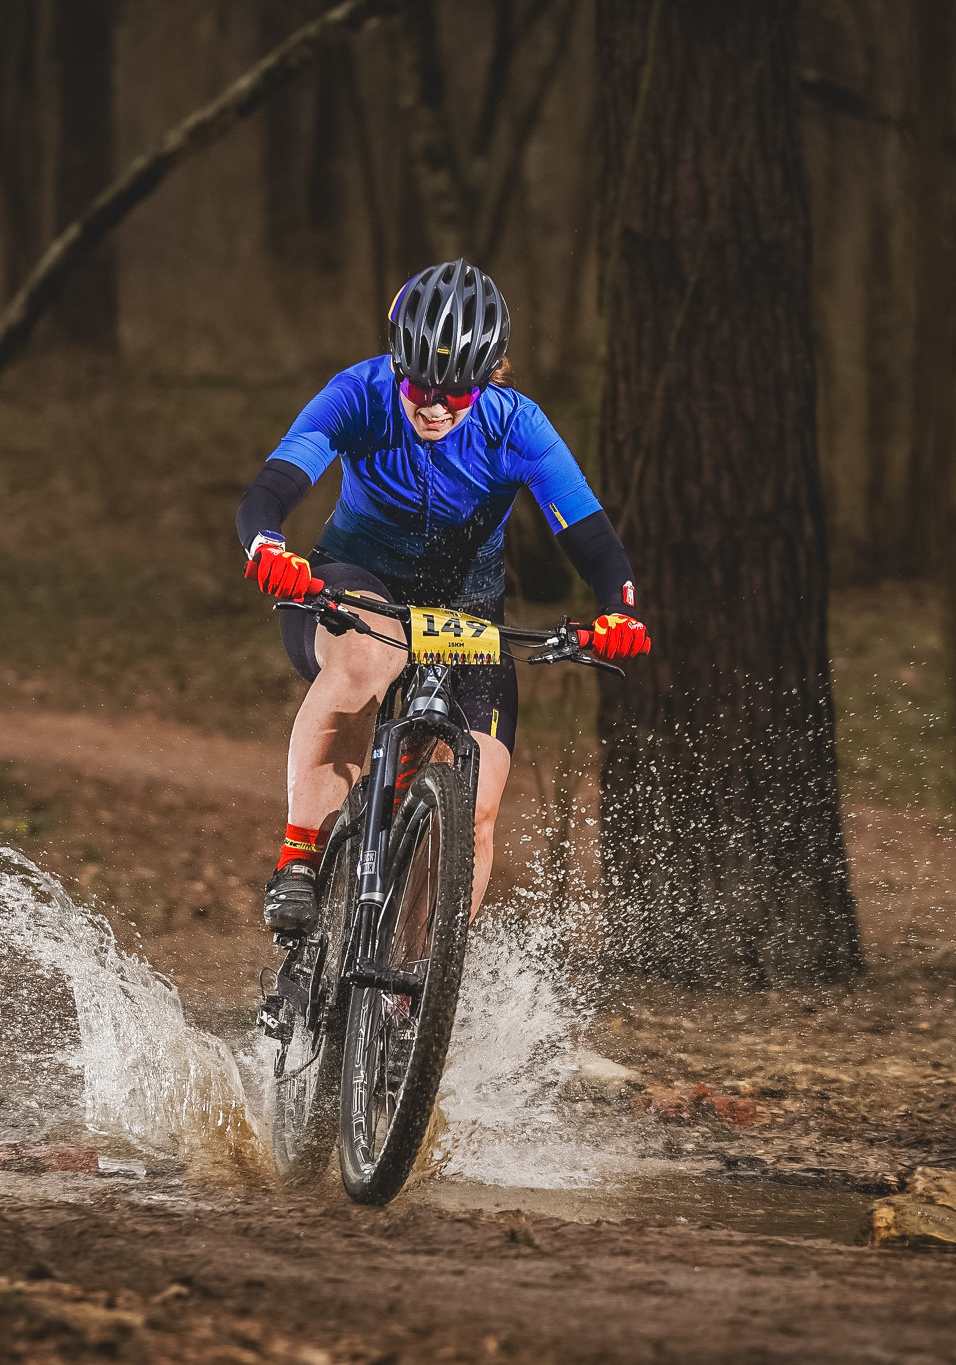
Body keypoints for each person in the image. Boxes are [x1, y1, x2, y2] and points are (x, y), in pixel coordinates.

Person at [237, 260, 650, 935]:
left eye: (456, 392)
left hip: (469, 612)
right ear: (397, 362)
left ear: (489, 376)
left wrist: (620, 610)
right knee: (374, 656)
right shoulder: (358, 395)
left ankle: (414, 991)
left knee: (478, 802)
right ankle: (299, 863)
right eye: (420, 384)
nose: (433, 405)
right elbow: (269, 492)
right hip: (352, 582)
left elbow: (596, 543)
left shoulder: (518, 426)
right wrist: (268, 547)